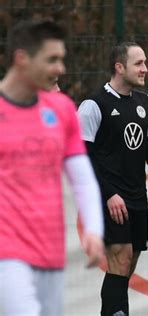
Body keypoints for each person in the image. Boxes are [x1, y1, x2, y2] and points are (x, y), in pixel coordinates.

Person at [0, 20, 104, 316]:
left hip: (50, 251)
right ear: (22, 59)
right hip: (6, 253)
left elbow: (82, 179)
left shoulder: (61, 110)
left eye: (62, 59)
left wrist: (94, 230)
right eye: (52, 60)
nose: (61, 69)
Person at [77, 42, 148, 316]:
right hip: (108, 198)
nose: (145, 68)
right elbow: (81, 159)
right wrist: (109, 193)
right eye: (139, 63)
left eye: (145, 62)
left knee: (125, 266)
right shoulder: (93, 105)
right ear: (119, 67)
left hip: (136, 198)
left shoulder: (144, 102)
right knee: (120, 260)